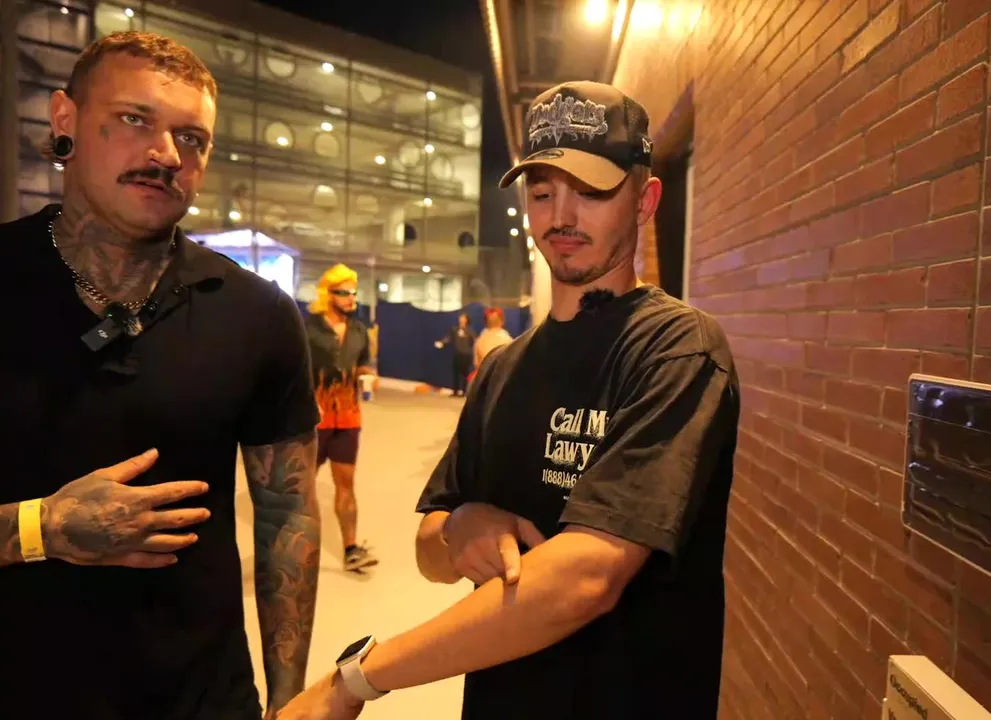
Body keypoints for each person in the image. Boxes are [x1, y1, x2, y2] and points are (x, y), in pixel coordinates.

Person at [277, 80, 739, 720]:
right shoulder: (502, 369)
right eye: (543, 193)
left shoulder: (677, 349)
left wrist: (357, 678)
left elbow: (587, 577)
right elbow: (430, 549)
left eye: (591, 191)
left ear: (645, 200)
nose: (561, 216)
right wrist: (462, 524)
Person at [0, 32, 322, 720]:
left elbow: (287, 513)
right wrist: (40, 528)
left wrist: (291, 700)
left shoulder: (257, 314)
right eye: (135, 119)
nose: (166, 155)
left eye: (192, 139)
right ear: (65, 119)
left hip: (200, 702)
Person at [304, 264, 378, 572]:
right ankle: (296, 547)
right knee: (302, 485)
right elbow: (294, 368)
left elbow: (364, 365)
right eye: (344, 292)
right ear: (328, 293)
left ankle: (351, 549)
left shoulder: (359, 331)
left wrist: (368, 376)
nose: (351, 298)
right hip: (313, 419)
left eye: (353, 292)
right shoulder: (308, 328)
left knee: (346, 484)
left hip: (348, 417)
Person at [434, 312, 476, 396]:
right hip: (457, 354)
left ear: (466, 320)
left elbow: (474, 341)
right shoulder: (455, 329)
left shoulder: (470, 330)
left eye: (463, 318)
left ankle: (464, 392)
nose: (461, 319)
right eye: (460, 318)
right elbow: (449, 338)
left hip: (466, 355)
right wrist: (442, 342)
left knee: (465, 374)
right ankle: (455, 391)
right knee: (456, 373)